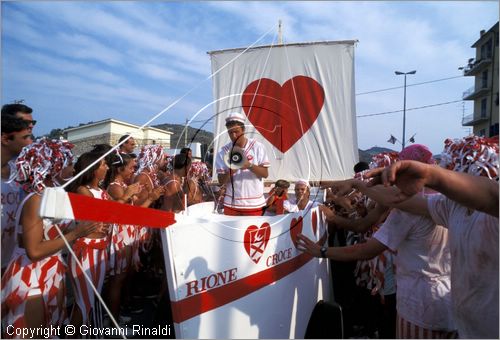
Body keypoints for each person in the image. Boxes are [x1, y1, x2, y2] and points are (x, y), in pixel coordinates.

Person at [363, 135, 498, 339]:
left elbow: (492, 197)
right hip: (459, 323)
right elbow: (398, 200)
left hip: (432, 313)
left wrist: (433, 176)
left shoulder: (492, 217)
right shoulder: (451, 207)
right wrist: (359, 185)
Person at [1, 139, 99, 332]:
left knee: (49, 329)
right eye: (68, 164)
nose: (73, 169)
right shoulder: (36, 200)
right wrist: (77, 233)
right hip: (31, 275)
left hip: (52, 269)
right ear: (53, 166)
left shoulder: (54, 196)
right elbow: (34, 251)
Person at [65, 151, 111, 330]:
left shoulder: (100, 191)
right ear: (92, 169)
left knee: (94, 297)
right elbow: (102, 214)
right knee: (85, 302)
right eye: (103, 165)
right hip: (86, 251)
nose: (107, 167)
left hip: (100, 248)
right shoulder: (82, 190)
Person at [215, 112, 270, 216]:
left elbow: (265, 173)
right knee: (230, 233)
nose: (234, 135)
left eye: (236, 131)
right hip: (232, 204)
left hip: (255, 204)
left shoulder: (258, 147)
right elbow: (221, 181)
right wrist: (231, 170)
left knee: (253, 232)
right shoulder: (223, 152)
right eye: (230, 133)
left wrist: (249, 165)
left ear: (243, 130)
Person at [1, 117, 33, 274]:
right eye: (25, 137)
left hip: (12, 261)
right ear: (5, 139)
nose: (30, 143)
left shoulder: (20, 172)